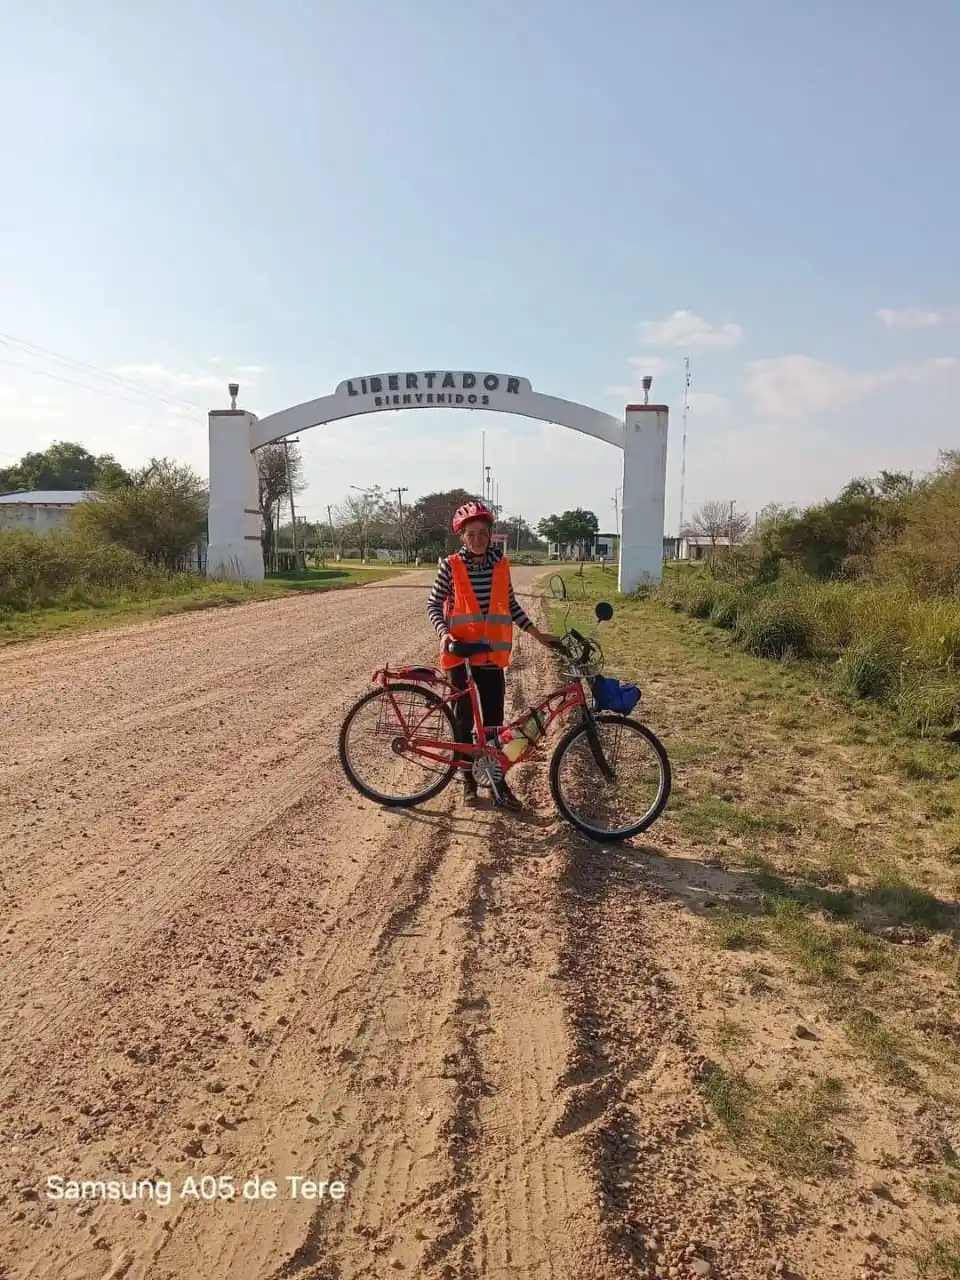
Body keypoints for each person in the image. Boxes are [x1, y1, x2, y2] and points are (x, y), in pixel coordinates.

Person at [427, 500, 559, 811]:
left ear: (490, 534)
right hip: (459, 653)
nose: (476, 540)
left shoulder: (500, 565)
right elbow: (434, 605)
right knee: (462, 722)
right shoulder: (450, 565)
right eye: (470, 534)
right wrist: (444, 633)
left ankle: (499, 783)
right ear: (462, 536)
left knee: (495, 725)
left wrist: (538, 634)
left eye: (482, 533)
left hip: (490, 656)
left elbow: (511, 607)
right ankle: (467, 783)